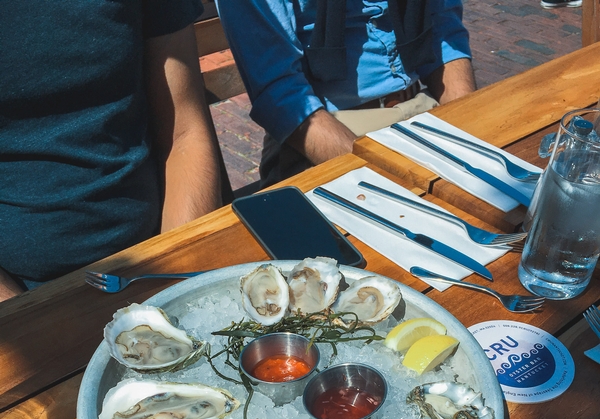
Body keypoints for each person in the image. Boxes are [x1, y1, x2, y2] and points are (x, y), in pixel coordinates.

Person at [0, 0, 223, 302]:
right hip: (19, 293)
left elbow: (184, 131)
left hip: (153, 261)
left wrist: (175, 288)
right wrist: (22, 320)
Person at [218, 0, 476, 186]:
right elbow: (281, 95)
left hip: (423, 108)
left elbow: (442, 27)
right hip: (330, 135)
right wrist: (393, 181)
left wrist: (470, 136)